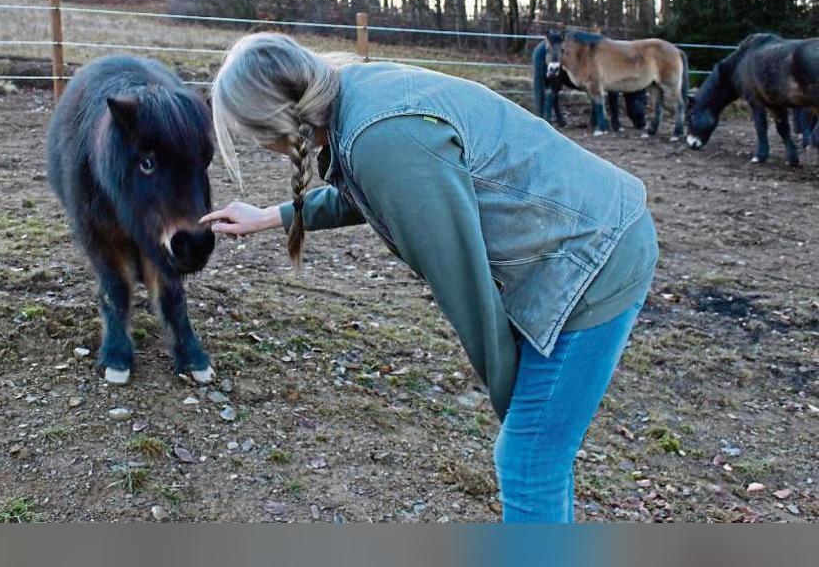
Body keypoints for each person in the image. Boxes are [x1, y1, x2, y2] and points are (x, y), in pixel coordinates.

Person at [200, 32, 658, 523]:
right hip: (589, 234)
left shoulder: (382, 137)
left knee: (528, 460)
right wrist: (272, 215)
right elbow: (372, 191)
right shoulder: (354, 91)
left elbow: (469, 291)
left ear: (272, 123)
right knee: (537, 457)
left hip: (594, 259)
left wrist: (517, 412)